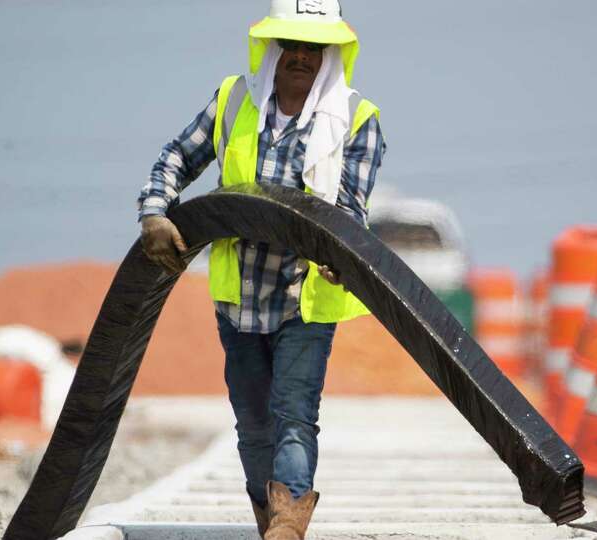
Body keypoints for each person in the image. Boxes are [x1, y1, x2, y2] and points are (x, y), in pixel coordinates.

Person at [135, 1, 386, 538]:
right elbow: (178, 156)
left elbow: (349, 214)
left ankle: (289, 524)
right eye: (291, 44)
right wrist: (156, 210)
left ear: (331, 54)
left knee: (294, 415)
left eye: (312, 47)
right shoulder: (233, 101)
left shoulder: (357, 120)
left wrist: (345, 256)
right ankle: (266, 518)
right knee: (253, 425)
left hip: (304, 298)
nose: (300, 56)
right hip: (239, 295)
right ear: (271, 46)